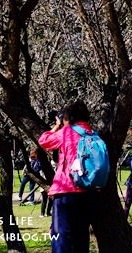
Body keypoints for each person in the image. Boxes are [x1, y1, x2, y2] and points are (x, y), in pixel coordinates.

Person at [38, 102, 97, 253]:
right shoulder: (92, 134)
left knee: (61, 236)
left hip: (66, 190)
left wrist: (57, 126)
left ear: (68, 117)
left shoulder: (66, 132)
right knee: (81, 236)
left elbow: (43, 141)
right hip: (87, 191)